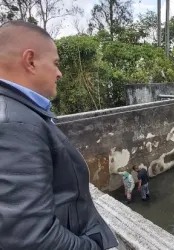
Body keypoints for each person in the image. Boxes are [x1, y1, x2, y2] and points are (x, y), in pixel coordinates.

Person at [0, 21, 117, 250]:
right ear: (30, 61)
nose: (59, 73)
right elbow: (29, 238)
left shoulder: (18, 112)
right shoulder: (15, 124)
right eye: (55, 64)